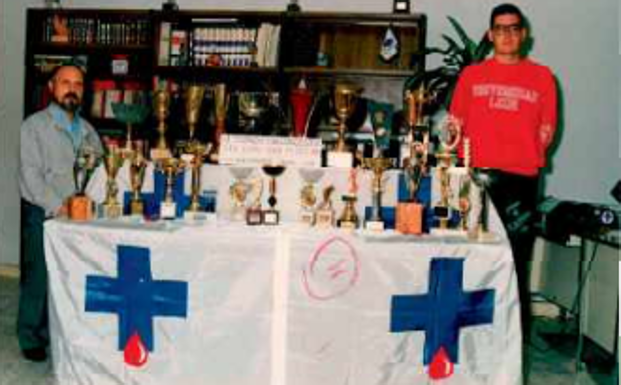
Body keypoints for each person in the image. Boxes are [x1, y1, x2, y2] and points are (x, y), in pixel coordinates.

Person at [450, 3, 558, 340]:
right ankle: (469, 337)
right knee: (470, 256)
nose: (507, 34)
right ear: (489, 34)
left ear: (523, 34)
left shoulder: (542, 77)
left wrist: (520, 156)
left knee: (514, 261)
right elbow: (455, 126)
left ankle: (513, 342)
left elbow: (547, 129)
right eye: (500, 28)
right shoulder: (471, 75)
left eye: (514, 28)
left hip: (520, 180)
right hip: (476, 179)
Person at [18, 64, 103, 361]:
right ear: (52, 87)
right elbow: (31, 177)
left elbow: (100, 175)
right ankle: (30, 335)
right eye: (65, 82)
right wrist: (59, 207)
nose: (72, 89)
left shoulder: (90, 131)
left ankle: (67, 331)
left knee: (73, 275)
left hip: (82, 216)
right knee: (39, 278)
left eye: (78, 84)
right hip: (45, 213)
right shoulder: (33, 127)